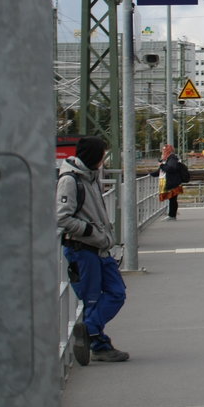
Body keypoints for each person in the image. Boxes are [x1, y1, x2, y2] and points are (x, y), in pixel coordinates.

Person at [57, 135, 128, 364]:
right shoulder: (70, 180)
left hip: (100, 247)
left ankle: (88, 330)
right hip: (82, 249)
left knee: (117, 292)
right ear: (94, 156)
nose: (104, 159)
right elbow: (61, 218)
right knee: (92, 300)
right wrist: (90, 232)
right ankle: (98, 344)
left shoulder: (92, 177)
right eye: (102, 155)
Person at [154, 144, 185, 220]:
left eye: (164, 150)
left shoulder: (172, 158)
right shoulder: (172, 158)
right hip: (174, 181)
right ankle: (172, 214)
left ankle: (172, 215)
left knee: (172, 199)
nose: (163, 152)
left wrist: (161, 165)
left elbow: (170, 169)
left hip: (173, 181)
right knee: (172, 199)